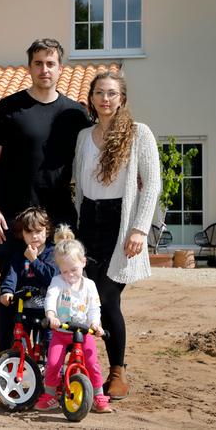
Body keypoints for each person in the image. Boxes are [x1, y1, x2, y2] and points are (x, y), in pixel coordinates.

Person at [0, 38, 91, 352]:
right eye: (39, 63)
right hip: (13, 219)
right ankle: (8, 361)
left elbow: (91, 160)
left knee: (62, 291)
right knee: (12, 291)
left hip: (60, 223)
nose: (45, 69)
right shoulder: (7, 110)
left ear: (60, 68)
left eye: (51, 63)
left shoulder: (75, 114)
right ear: (29, 67)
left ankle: (55, 366)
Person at [74, 70, 161, 399]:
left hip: (120, 223)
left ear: (122, 98)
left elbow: (152, 184)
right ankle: (82, 368)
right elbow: (79, 188)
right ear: (92, 99)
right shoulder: (84, 136)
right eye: (99, 93)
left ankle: (118, 373)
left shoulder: (139, 133)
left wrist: (139, 228)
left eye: (111, 93)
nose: (105, 98)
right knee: (86, 298)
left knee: (109, 297)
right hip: (88, 223)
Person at [35, 225, 112, 413]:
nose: (69, 275)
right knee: (53, 363)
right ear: (59, 269)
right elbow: (51, 298)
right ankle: (51, 395)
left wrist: (95, 324)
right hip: (61, 332)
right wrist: (51, 315)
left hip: (83, 332)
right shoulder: (57, 282)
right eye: (64, 271)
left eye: (74, 270)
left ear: (84, 263)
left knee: (92, 363)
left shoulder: (90, 285)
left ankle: (98, 396)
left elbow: (94, 307)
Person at [0, 207, 58, 350]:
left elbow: (51, 278)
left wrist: (34, 260)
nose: (34, 236)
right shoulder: (19, 255)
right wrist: (6, 291)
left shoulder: (53, 252)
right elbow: (11, 275)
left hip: (48, 310)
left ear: (47, 231)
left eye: (38, 231)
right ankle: (20, 365)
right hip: (24, 308)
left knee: (50, 345)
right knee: (18, 342)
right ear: (22, 234)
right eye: (29, 232)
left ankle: (53, 370)